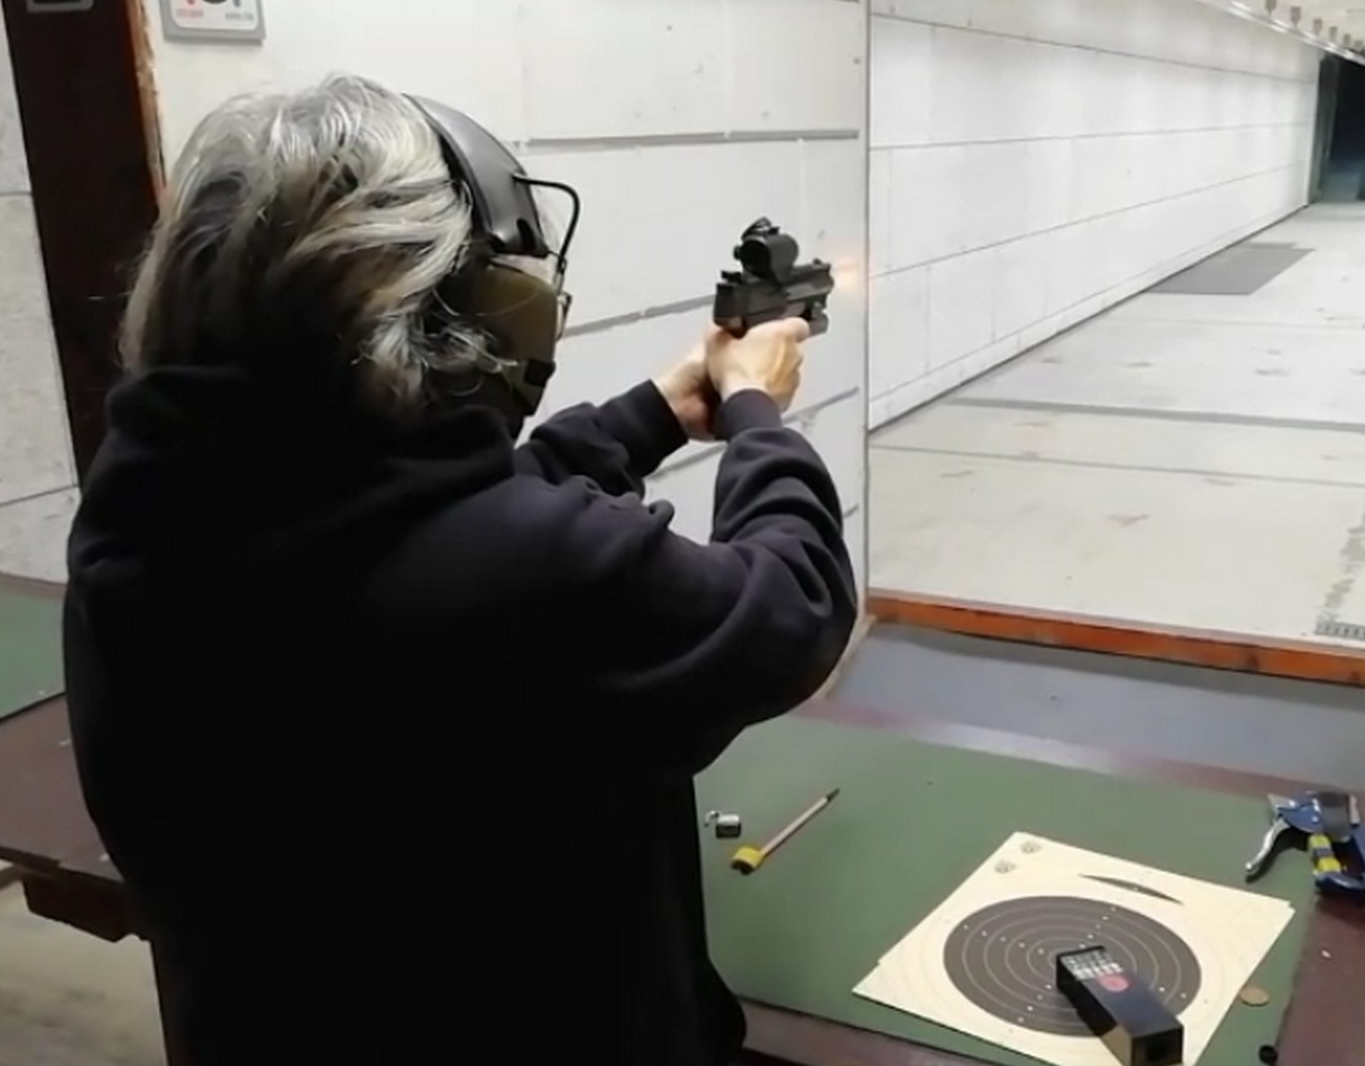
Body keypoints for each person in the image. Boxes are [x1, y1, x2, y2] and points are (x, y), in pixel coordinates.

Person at [62, 75, 857, 1065]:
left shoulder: (138, 524)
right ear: (471, 313)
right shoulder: (532, 579)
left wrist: (651, 415)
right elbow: (793, 604)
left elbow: (409, 522)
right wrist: (756, 412)